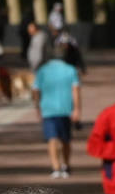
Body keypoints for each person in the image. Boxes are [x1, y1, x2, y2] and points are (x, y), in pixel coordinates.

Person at [32, 42, 83, 179]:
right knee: (66, 139)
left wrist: (37, 107)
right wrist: (77, 109)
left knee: (52, 139)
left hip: (48, 109)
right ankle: (65, 165)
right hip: (66, 109)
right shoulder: (71, 70)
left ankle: (55, 167)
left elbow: (36, 90)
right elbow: (76, 91)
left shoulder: (42, 70)